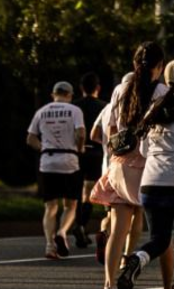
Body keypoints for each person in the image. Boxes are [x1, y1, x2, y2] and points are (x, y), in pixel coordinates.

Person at [118, 58, 174, 289]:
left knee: (159, 239)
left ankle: (138, 258)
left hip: (151, 184)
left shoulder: (152, 111)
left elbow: (143, 150)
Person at [95, 43, 165, 289]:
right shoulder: (162, 93)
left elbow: (111, 127)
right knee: (151, 227)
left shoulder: (120, 90)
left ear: (134, 64)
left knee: (118, 230)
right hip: (148, 166)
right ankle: (129, 265)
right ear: (160, 67)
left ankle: (108, 283)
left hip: (120, 164)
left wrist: (116, 152)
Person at [28, 80, 86, 261]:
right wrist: (80, 147)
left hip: (48, 162)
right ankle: (61, 232)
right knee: (71, 205)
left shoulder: (42, 112)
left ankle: (49, 246)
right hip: (69, 161)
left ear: (53, 94)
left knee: (50, 206)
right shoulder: (75, 110)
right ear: (69, 95)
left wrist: (43, 147)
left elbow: (30, 138)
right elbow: (81, 133)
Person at [72, 73, 107, 252]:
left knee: (76, 191)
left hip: (75, 153)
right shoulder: (103, 107)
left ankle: (76, 222)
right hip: (95, 152)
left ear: (81, 88)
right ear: (98, 88)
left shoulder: (73, 107)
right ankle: (82, 225)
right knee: (88, 191)